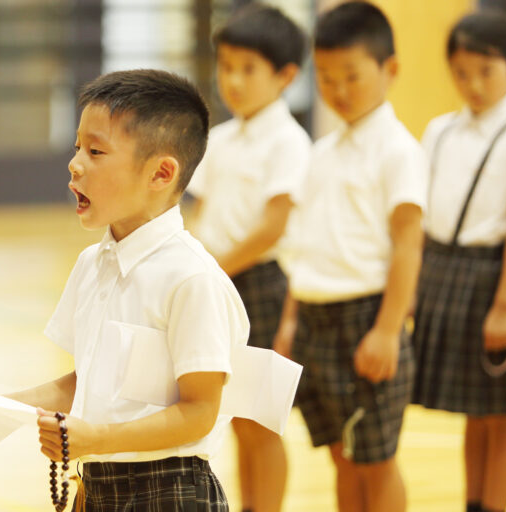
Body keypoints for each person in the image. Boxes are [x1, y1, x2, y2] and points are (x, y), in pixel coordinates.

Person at [0, 69, 250, 511]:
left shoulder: (192, 279)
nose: (75, 163)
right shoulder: (91, 264)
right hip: (99, 485)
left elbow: (199, 412)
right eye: (77, 146)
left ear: (161, 173)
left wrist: (97, 438)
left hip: (172, 491)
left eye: (96, 151)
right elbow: (87, 383)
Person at [276, 2, 427, 511]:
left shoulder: (398, 150)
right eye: (327, 77)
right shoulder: (322, 151)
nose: (338, 91)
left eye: (352, 77)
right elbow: (308, 241)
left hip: (367, 316)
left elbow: (409, 244)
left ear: (391, 70)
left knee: (376, 458)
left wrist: (387, 330)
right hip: (316, 319)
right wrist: (292, 320)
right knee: (341, 453)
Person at [186, 3, 309, 511]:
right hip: (220, 279)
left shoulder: (289, 141)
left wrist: (213, 268)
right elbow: (203, 212)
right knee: (234, 417)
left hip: (260, 285)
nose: (233, 80)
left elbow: (272, 228)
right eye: (226, 66)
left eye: (248, 69)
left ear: (285, 76)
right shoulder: (220, 137)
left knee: (262, 422)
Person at [411, 12, 506, 512]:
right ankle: (473, 502)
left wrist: (505, 305)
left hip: (494, 275)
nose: (472, 85)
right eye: (461, 72)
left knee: (500, 413)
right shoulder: (441, 130)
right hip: (441, 268)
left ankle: (494, 504)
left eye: (486, 72)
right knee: (476, 411)